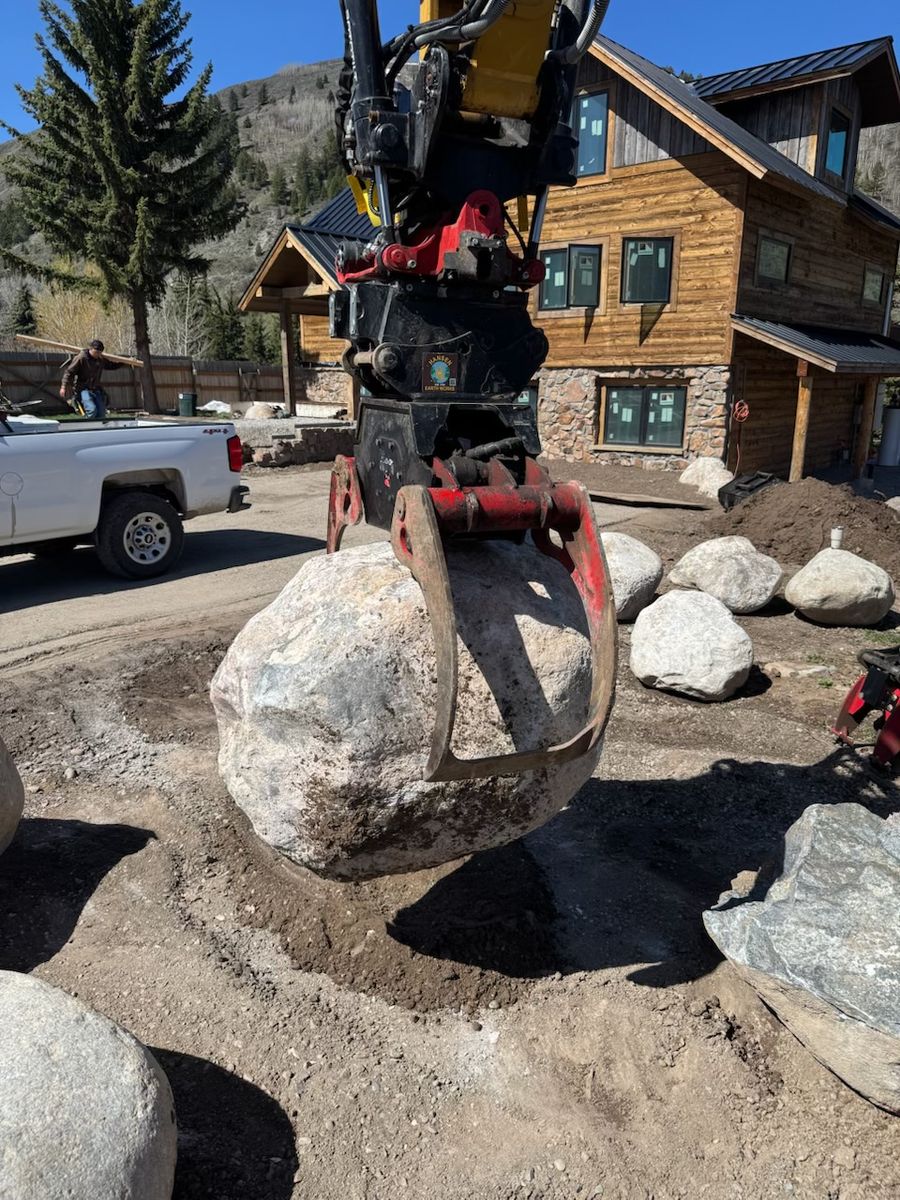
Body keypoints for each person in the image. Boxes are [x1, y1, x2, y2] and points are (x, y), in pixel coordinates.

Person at [59, 340, 122, 419]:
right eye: (96, 352)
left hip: (95, 389)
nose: (98, 355)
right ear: (91, 349)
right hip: (83, 389)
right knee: (92, 410)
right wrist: (63, 386)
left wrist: (124, 362)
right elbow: (69, 372)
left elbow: (111, 366)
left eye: (100, 353)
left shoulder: (100, 359)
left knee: (101, 413)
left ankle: (98, 429)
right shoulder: (81, 358)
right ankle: (87, 427)